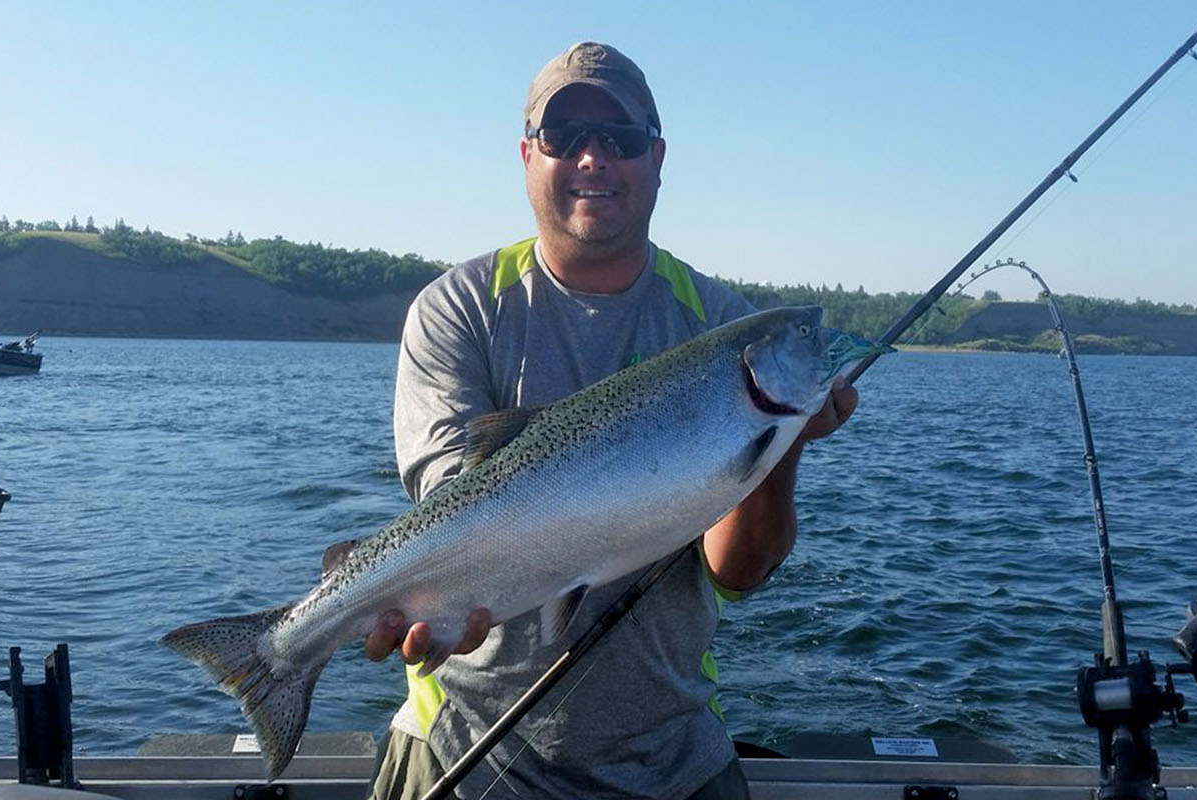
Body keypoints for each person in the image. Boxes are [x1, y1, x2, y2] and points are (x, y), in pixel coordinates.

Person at [361, 42, 859, 800]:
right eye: (565, 139)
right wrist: (447, 595)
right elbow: (451, 497)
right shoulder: (458, 308)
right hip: (462, 753)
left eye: (619, 140)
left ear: (657, 160)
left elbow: (738, 572)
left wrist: (782, 442)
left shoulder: (723, 324)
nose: (594, 159)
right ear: (528, 155)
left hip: (673, 759)